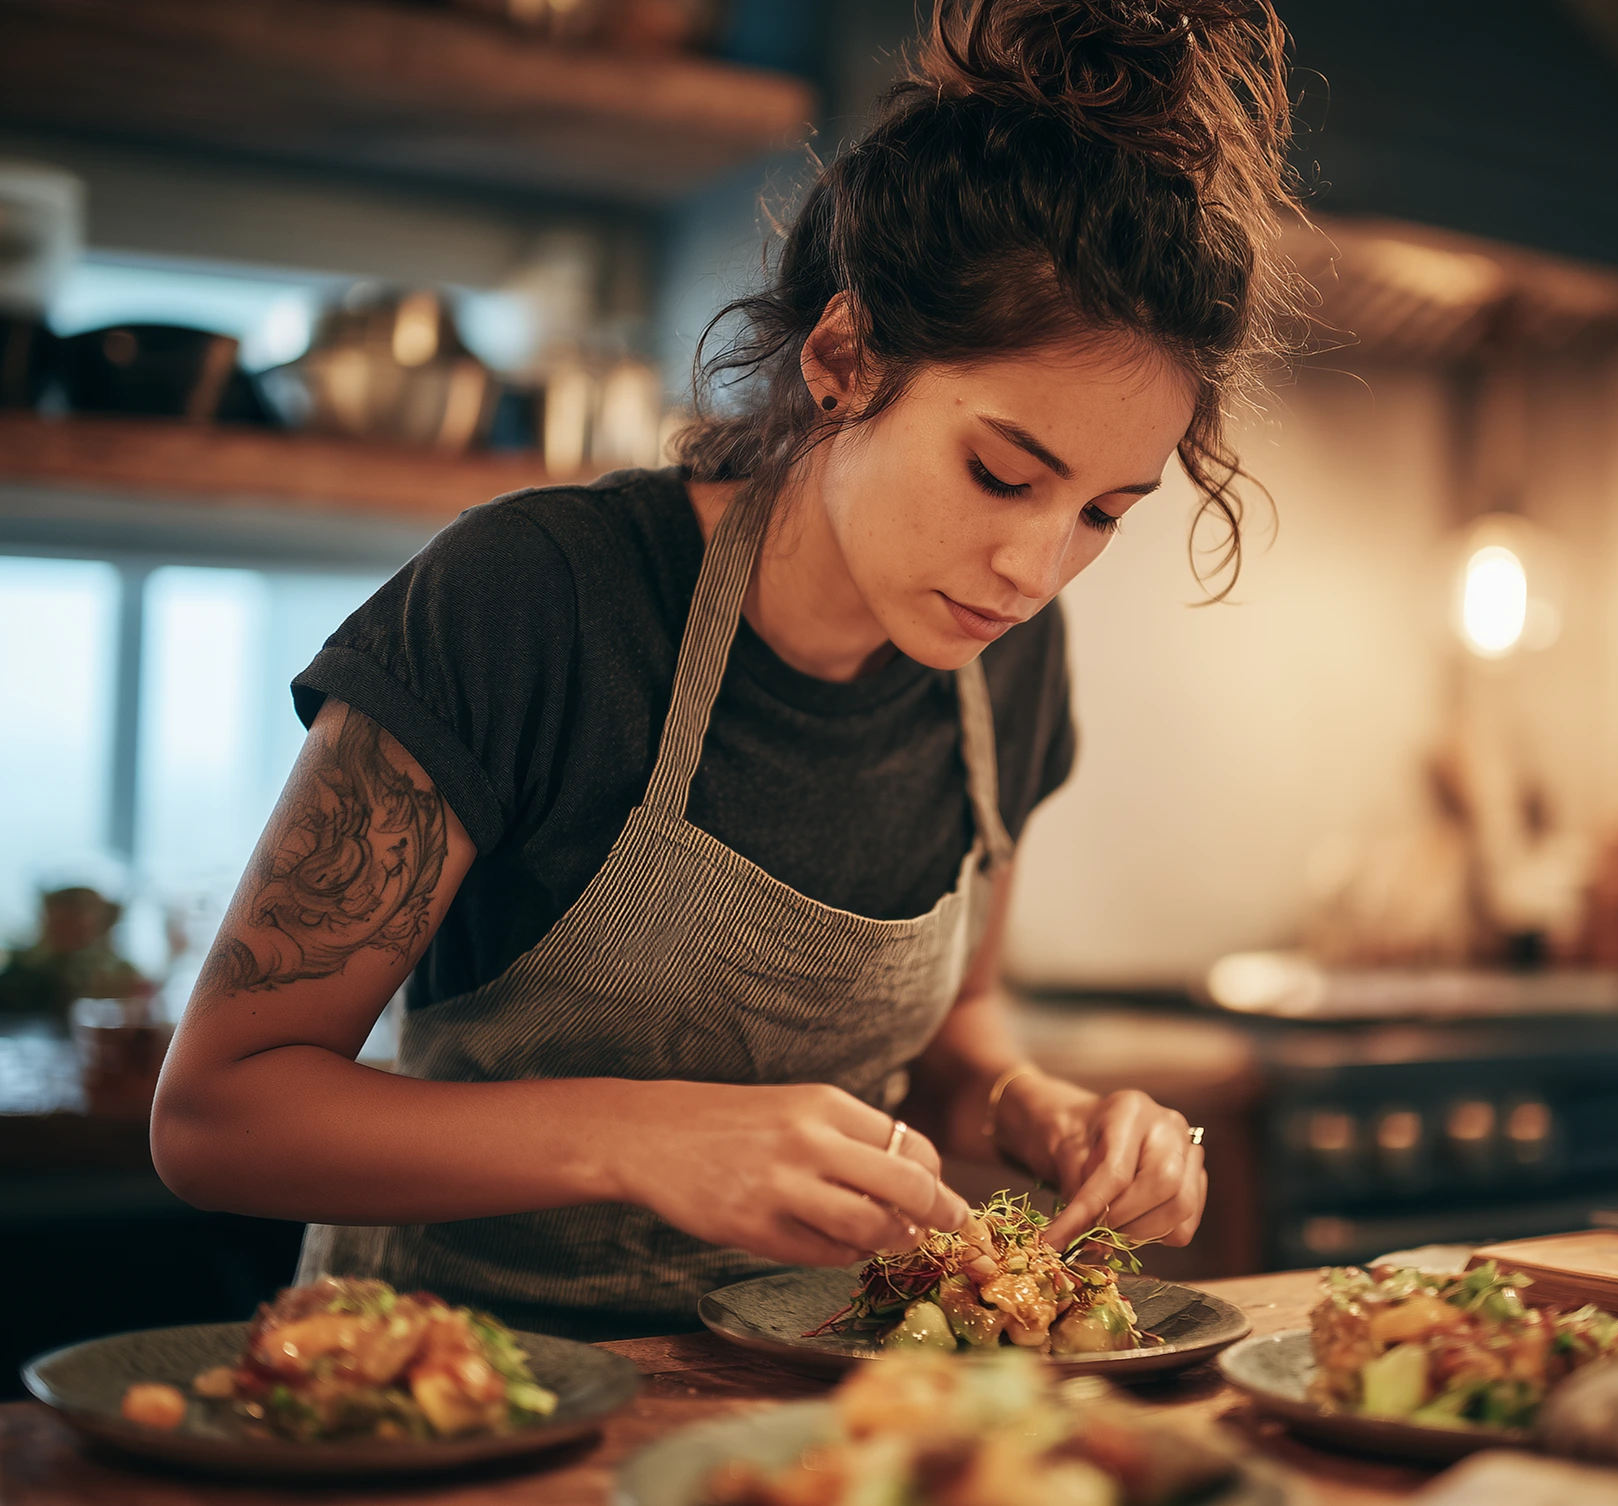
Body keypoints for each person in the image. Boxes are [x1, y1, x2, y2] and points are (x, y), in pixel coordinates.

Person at [152, 0, 1304, 1340]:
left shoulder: (1010, 672)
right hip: (439, 1403)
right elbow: (219, 1111)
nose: (1035, 569)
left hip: (803, 1411)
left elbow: (952, 1039)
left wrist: (1033, 1108)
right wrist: (639, 1136)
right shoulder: (531, 602)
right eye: (1002, 472)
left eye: (1104, 510)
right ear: (844, 357)